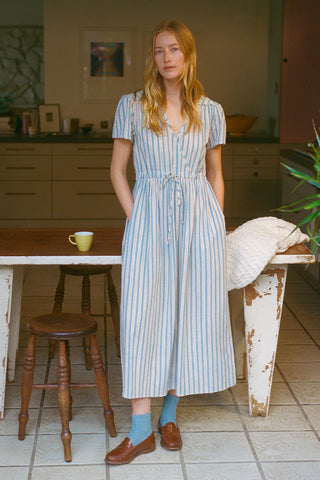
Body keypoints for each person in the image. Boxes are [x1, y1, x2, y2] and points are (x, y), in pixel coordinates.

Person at [106, 19, 236, 466]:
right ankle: (140, 430)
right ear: (152, 57)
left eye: (174, 50)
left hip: (199, 229)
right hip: (148, 227)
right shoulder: (133, 106)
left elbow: (215, 176)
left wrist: (214, 226)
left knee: (185, 316)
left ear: (188, 54)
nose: (166, 58)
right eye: (159, 50)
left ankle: (168, 416)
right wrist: (137, 217)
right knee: (143, 317)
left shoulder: (211, 111)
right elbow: (117, 171)